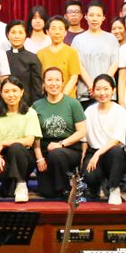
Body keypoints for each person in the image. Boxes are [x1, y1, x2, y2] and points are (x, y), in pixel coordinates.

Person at [33, 67, 88, 199]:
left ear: (63, 83)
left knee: (57, 154)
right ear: (43, 84)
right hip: (46, 150)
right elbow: (34, 135)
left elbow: (82, 131)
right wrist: (39, 157)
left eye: (57, 80)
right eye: (50, 80)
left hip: (69, 148)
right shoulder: (36, 105)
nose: (54, 83)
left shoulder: (73, 103)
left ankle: (65, 189)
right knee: (47, 193)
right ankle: (60, 184)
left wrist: (61, 144)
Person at [0, 77, 43, 203]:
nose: (11, 95)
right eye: (6, 91)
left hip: (24, 157)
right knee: (6, 192)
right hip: (4, 158)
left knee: (16, 147)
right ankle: (11, 184)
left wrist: (4, 142)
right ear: (1, 94)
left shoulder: (30, 113)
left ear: (22, 92)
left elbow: (29, 141)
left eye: (14, 90)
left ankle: (21, 183)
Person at [82, 75, 126, 205]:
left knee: (116, 152)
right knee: (89, 175)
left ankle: (114, 188)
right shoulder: (89, 111)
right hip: (93, 151)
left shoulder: (120, 111)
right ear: (93, 91)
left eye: (106, 89)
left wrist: (98, 154)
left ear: (113, 90)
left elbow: (116, 139)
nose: (102, 93)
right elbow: (84, 137)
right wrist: (84, 155)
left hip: (111, 154)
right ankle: (96, 187)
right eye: (98, 89)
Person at [71, 0, 120, 109]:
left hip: (108, 92)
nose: (94, 18)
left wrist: (102, 85)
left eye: (98, 15)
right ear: (86, 16)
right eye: (91, 15)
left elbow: (115, 63)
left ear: (103, 18)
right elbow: (78, 65)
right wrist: (92, 86)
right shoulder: (78, 40)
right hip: (86, 94)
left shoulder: (111, 38)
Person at [37, 16, 81, 98]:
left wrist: (62, 97)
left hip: (67, 98)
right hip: (47, 98)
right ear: (47, 32)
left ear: (65, 32)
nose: (57, 32)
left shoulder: (72, 52)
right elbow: (40, 79)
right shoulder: (40, 54)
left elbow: (74, 77)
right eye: (53, 28)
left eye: (61, 28)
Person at [5, 19, 43, 105]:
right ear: (8, 34)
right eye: (13, 32)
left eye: (20, 33)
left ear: (26, 35)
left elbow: (37, 88)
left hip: (26, 104)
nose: (16, 36)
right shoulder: (2, 56)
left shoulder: (32, 58)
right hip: (5, 104)